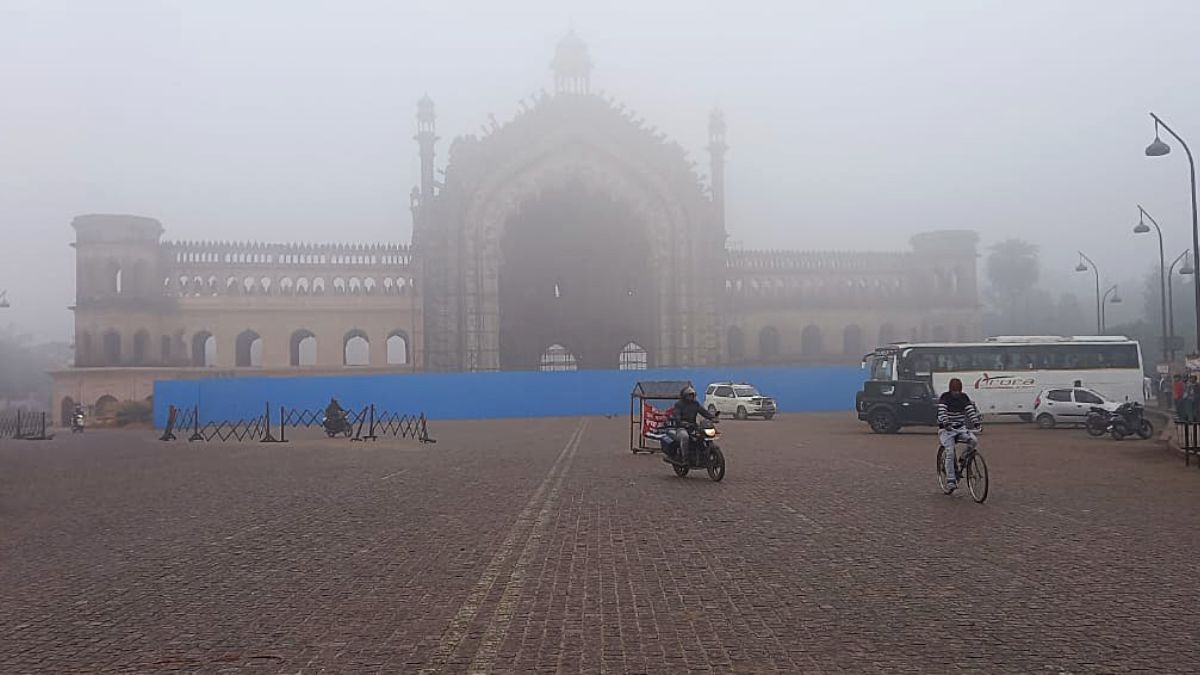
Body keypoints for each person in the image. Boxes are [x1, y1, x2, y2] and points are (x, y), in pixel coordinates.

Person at [938, 378, 982, 493]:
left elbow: (970, 411)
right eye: (954, 391)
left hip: (960, 428)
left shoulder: (964, 398)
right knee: (950, 452)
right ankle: (951, 480)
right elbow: (942, 412)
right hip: (946, 430)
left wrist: (976, 422)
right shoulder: (945, 397)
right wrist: (946, 422)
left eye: (958, 391)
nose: (956, 393)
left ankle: (963, 458)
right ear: (951, 390)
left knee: (973, 441)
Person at [665, 385, 717, 465]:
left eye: (692, 395)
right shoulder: (679, 404)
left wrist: (712, 418)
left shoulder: (695, 404)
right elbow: (677, 415)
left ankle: (702, 455)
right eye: (690, 395)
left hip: (693, 426)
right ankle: (685, 459)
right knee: (685, 437)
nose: (691, 397)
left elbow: (703, 412)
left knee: (703, 435)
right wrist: (681, 422)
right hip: (681, 428)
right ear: (684, 396)